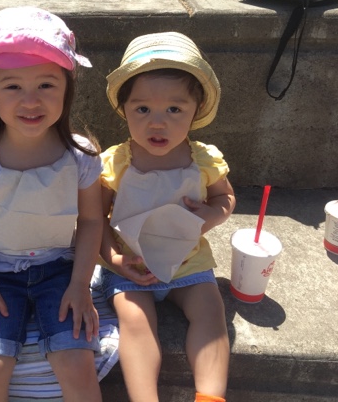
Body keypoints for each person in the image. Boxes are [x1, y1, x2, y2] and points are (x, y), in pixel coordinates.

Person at [0, 6, 104, 402]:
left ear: (67, 88)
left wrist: (80, 284)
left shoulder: (81, 155)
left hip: (61, 271)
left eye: (47, 85)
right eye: (12, 86)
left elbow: (91, 221)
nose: (30, 100)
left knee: (78, 364)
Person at [99, 32, 235, 402]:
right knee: (135, 322)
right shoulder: (116, 162)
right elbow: (94, 219)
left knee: (211, 313)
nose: (157, 123)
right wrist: (113, 258)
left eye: (175, 109)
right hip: (132, 265)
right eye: (142, 109)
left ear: (196, 110)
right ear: (124, 109)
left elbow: (225, 197)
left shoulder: (203, 159)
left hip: (188, 262)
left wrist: (212, 214)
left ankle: (210, 397)